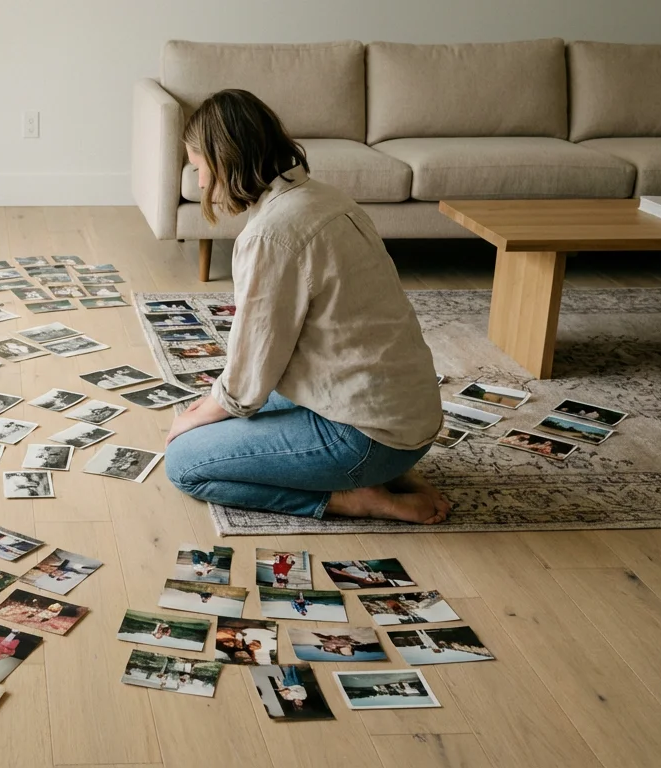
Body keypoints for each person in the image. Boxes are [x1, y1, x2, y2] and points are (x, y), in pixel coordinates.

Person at [162, 89, 450, 525]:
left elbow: (247, 384)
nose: (200, 183)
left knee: (184, 461)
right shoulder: (328, 198)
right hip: (412, 423)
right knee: (215, 414)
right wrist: (211, 407)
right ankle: (387, 473)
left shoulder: (269, 237)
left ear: (227, 160)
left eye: (200, 167)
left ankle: (354, 499)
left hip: (366, 441)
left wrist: (197, 417)